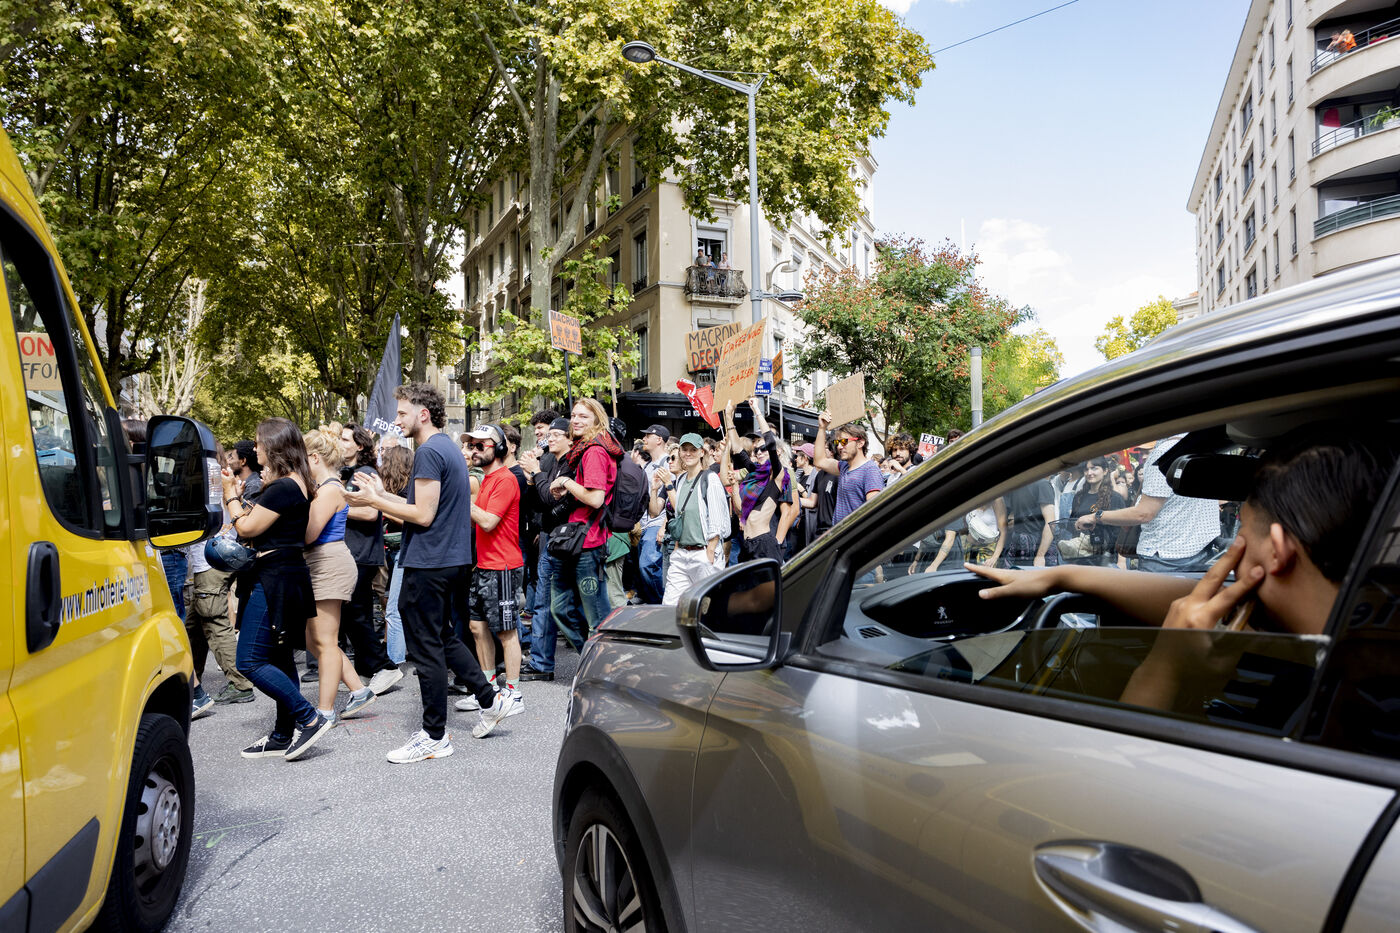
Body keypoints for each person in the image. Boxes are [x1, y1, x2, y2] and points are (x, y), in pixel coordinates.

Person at [970, 426, 1396, 709]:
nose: (1236, 551)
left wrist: (1167, 668)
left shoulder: (1353, 700)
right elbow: (1188, 595)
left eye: (1244, 533)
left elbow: (1123, 794)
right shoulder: (1369, 625)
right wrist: (1062, 575)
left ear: (1277, 551)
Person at [345, 383, 511, 764]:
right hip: (446, 560)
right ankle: (491, 699)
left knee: (426, 646)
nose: (397, 420)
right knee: (442, 637)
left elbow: (422, 515)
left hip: (430, 562)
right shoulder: (445, 448)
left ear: (423, 414)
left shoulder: (429, 451)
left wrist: (375, 500)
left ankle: (435, 735)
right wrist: (379, 496)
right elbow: (420, 505)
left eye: (402, 413)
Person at [223, 418, 333, 761]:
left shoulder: (284, 486)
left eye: (258, 442)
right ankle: (283, 734)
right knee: (280, 657)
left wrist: (230, 496)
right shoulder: (293, 482)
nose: (255, 448)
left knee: (250, 660)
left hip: (275, 577)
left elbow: (246, 529)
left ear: (273, 445)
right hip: (284, 574)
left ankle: (308, 718)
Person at [302, 426, 376, 723]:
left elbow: (309, 534)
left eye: (301, 457)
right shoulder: (325, 487)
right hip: (323, 562)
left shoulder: (330, 488)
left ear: (314, 458)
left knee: (326, 642)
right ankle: (359, 690)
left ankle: (325, 710)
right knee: (314, 641)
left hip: (328, 563)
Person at [1078, 436, 1221, 573]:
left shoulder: (1164, 452)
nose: (1144, 456)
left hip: (1166, 558)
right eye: (1141, 453)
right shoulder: (1204, 447)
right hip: (1202, 552)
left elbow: (1143, 513)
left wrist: (1096, 516)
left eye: (1147, 452)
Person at [461, 423, 527, 715]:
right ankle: (487, 691)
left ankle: (514, 693)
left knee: (506, 631)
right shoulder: (487, 479)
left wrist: (462, 497)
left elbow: (488, 521)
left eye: (480, 446)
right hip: (484, 565)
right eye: (471, 446)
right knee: (477, 627)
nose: (473, 451)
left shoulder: (505, 480)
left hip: (503, 566)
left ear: (498, 448)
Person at [549, 398, 618, 647]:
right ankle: (591, 659)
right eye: (574, 416)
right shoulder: (584, 448)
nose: (576, 421)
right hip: (574, 539)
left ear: (597, 420)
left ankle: (602, 663)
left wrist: (566, 482)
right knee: (560, 609)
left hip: (588, 541)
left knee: (596, 618)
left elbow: (596, 499)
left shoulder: (595, 451)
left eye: (583, 417)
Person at [339, 422, 402, 695]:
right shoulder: (349, 473)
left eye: (345, 439)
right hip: (353, 553)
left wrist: (335, 507)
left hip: (360, 554)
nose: (339, 443)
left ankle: (384, 667)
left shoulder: (364, 473)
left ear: (359, 445)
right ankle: (367, 668)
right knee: (355, 613)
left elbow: (370, 513)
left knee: (355, 613)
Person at [518, 417, 572, 681]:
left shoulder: (571, 463)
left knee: (565, 607)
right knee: (543, 603)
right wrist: (532, 480)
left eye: (556, 435)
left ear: (569, 438)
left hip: (568, 541)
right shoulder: (551, 461)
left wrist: (537, 473)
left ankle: (599, 661)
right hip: (551, 537)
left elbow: (552, 500)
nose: (549, 438)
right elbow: (539, 503)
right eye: (548, 435)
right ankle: (541, 662)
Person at [659, 433, 729, 604]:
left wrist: (710, 551)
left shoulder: (710, 478)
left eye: (693, 449)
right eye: (684, 449)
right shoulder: (681, 480)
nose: (688, 453)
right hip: (682, 554)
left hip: (703, 553)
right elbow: (679, 516)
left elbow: (718, 518)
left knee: (706, 607)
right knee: (670, 604)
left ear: (702, 452)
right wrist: (677, 547)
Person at [728, 397, 797, 563]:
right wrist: (729, 416)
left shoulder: (779, 476)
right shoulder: (754, 473)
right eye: (756, 450)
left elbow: (771, 443)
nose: (759, 452)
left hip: (764, 544)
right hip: (747, 544)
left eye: (763, 449)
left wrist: (757, 411)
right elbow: (737, 449)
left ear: (777, 452)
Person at [378, 445, 414, 667]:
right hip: (396, 551)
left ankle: (394, 662)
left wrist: (383, 510)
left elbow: (411, 519)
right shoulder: (400, 487)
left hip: (405, 550)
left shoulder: (408, 490)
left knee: (393, 610)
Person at [813, 413, 884, 526]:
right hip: (839, 532)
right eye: (837, 442)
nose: (839, 447)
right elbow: (819, 461)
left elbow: (873, 510)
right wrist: (822, 428)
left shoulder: (870, 470)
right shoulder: (844, 467)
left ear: (860, 443)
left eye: (844, 442)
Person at [1067, 456, 1128, 564]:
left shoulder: (1114, 497)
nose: (1089, 473)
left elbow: (1122, 531)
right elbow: (1071, 526)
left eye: (1094, 468)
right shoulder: (1079, 496)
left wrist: (1122, 561)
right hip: (1080, 556)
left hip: (1107, 557)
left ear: (1105, 471)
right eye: (1086, 469)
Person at [636, 424, 671, 604]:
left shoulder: (668, 463)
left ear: (659, 440)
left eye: (648, 436)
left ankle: (661, 605)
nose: (644, 439)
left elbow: (673, 498)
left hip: (657, 524)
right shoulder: (648, 466)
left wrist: (664, 526)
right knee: (645, 568)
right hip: (644, 524)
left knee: (648, 565)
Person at [1001, 476, 1057, 568]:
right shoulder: (1015, 486)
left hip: (1039, 544)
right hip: (1018, 542)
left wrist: (1040, 555)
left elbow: (1051, 523)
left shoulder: (1042, 485)